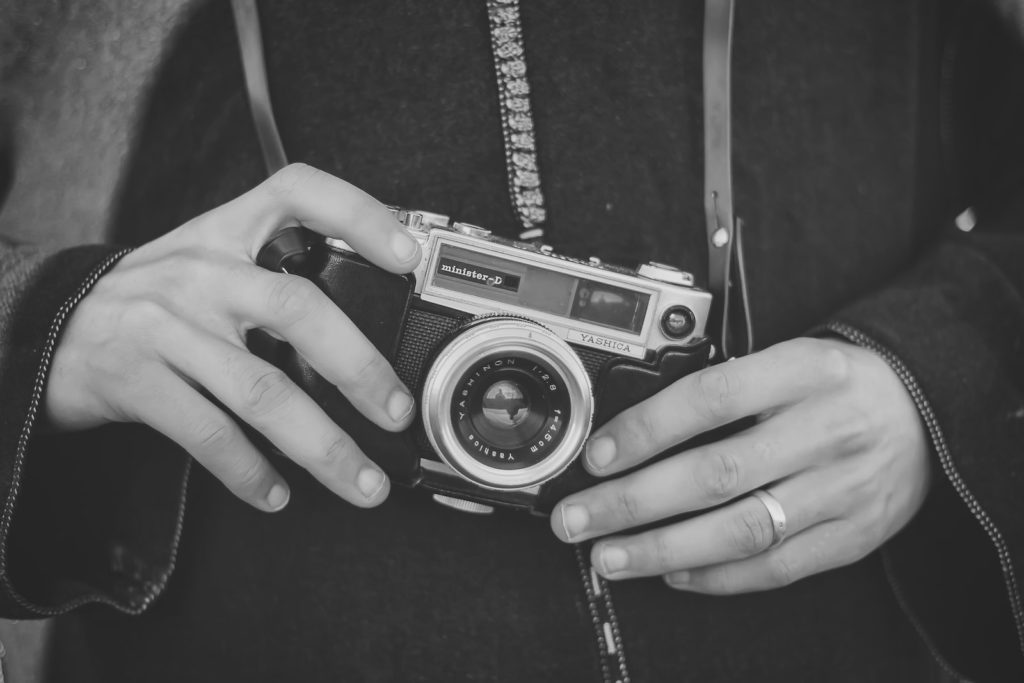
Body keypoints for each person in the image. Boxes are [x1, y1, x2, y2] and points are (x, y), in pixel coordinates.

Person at [0, 0, 1022, 681]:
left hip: (828, 612)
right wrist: (48, 320)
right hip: (244, 620)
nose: (508, 406)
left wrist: (934, 370)